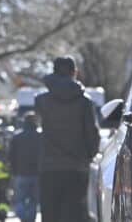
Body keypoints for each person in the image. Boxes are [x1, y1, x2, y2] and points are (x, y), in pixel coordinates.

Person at [34, 56, 100, 222]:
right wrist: (88, 156)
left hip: (49, 168)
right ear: (75, 73)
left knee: (50, 215)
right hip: (77, 168)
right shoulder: (85, 103)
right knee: (75, 214)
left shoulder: (41, 101)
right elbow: (92, 135)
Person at [7, 112, 41, 222]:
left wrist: (13, 171)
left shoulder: (17, 137)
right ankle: (30, 219)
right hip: (36, 174)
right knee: (33, 200)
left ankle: (23, 217)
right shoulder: (40, 136)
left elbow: (11, 156)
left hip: (20, 174)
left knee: (19, 200)